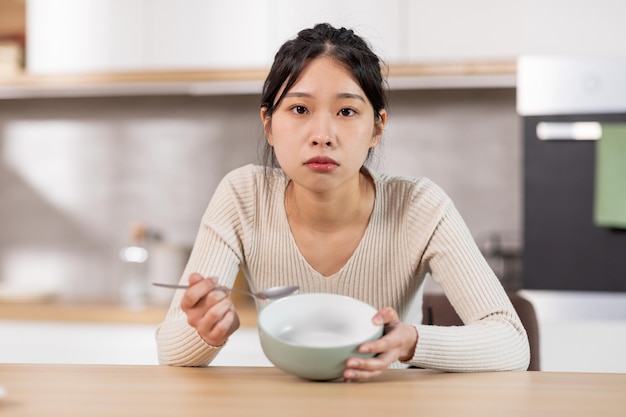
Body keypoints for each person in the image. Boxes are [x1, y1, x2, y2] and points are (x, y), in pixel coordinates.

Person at [155, 23, 530, 381]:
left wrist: (412, 342)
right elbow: (170, 350)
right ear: (269, 125)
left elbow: (511, 342)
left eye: (346, 111)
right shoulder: (242, 195)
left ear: (377, 128)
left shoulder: (419, 206)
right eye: (300, 109)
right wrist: (205, 332)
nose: (322, 135)